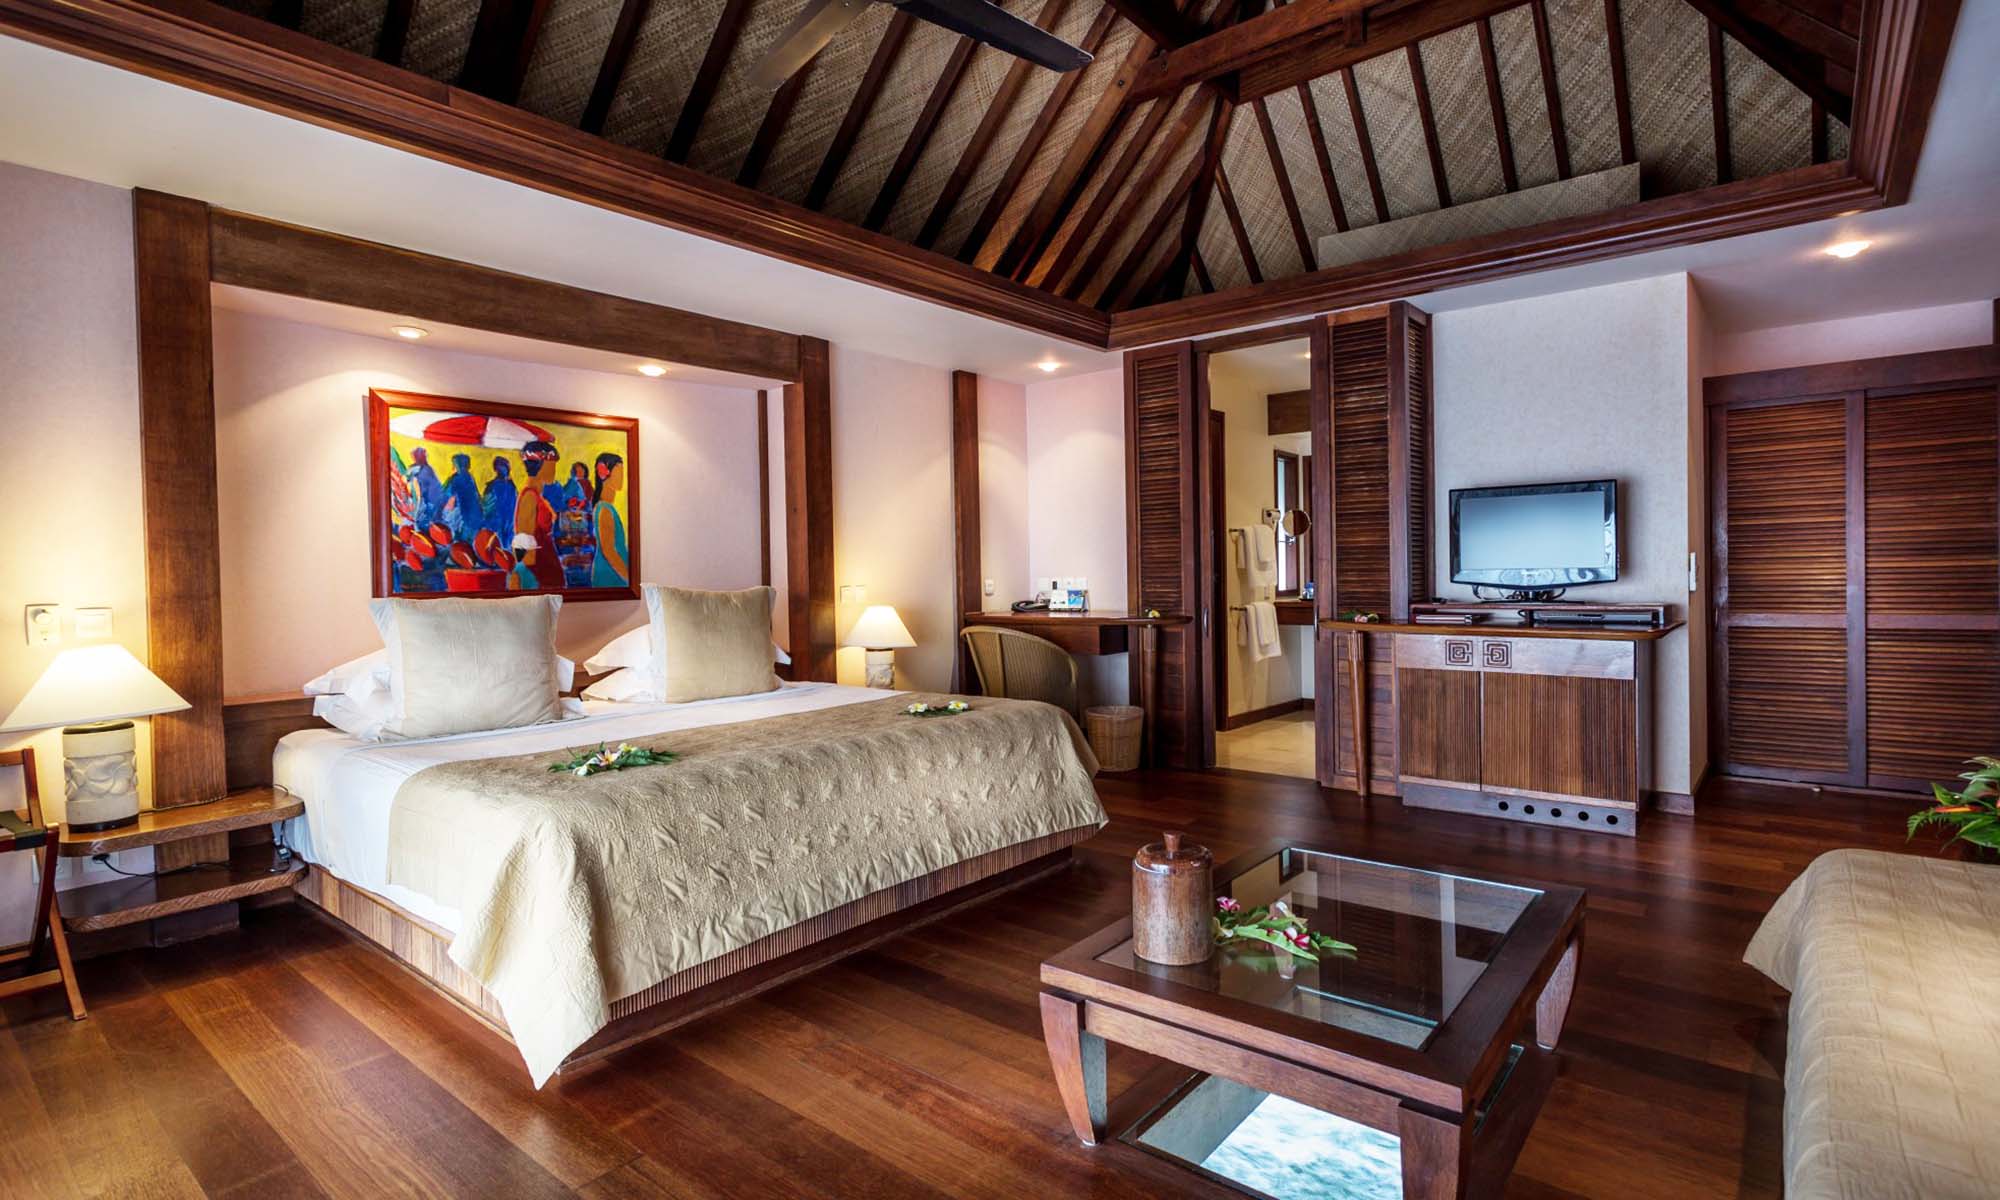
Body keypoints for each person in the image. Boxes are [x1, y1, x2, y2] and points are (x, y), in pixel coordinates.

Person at [513, 439, 564, 589]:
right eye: (552, 465)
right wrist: (528, 578)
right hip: (538, 571)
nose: (554, 470)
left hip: (546, 566)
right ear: (541, 465)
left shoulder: (537, 495)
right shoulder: (529, 496)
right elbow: (524, 539)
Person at [590, 452, 629, 588]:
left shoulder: (607, 507)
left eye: (622, 473)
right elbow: (609, 551)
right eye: (618, 473)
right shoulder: (604, 509)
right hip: (610, 574)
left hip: (613, 573)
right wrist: (628, 578)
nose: (622, 478)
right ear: (604, 474)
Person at [441, 452, 482, 544]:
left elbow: (450, 503)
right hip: (476, 519)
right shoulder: (470, 477)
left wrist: (442, 514)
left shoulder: (455, 479)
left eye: (453, 465)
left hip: (463, 520)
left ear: (456, 466)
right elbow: (477, 497)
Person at [406, 446, 443, 529]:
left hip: (428, 502)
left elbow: (420, 492)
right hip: (432, 501)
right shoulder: (426, 469)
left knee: (420, 522)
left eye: (414, 457)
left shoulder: (422, 471)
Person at [481, 456, 517, 538]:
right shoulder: (511, 486)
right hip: (505, 527)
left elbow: (485, 508)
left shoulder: (492, 487)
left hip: (498, 527)